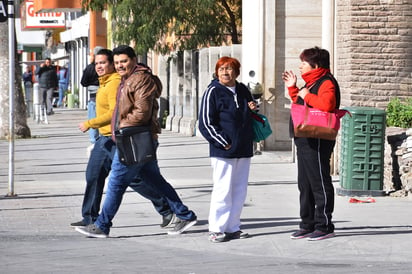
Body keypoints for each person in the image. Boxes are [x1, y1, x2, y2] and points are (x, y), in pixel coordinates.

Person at [75, 45, 197, 238]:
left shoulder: (141, 79)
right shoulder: (127, 79)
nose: (120, 65)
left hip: (133, 138)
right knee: (154, 180)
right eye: (117, 63)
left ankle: (102, 225)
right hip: (133, 137)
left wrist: (120, 126)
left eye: (123, 61)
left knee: (116, 182)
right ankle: (183, 214)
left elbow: (142, 111)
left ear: (134, 60)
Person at [282, 46, 339, 241]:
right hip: (304, 139)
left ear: (315, 65)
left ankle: (324, 225)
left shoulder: (326, 82)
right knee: (304, 184)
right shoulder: (311, 83)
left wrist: (305, 94)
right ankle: (307, 223)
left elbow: (327, 105)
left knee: (319, 182)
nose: (300, 66)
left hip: (318, 140)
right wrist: (293, 87)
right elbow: (301, 105)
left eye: (303, 63)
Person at [198, 56, 257, 243]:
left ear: (236, 72)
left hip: (243, 147)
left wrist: (254, 107)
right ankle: (216, 228)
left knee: (239, 189)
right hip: (224, 149)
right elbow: (205, 123)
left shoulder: (242, 89)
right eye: (221, 68)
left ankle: (233, 227)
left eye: (229, 68)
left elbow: (250, 111)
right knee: (222, 189)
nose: (225, 72)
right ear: (216, 72)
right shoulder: (213, 91)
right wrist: (222, 141)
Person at [81, 46, 103, 146]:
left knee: (93, 118)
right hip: (104, 97)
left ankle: (94, 141)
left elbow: (83, 82)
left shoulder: (90, 68)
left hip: (93, 97)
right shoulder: (109, 66)